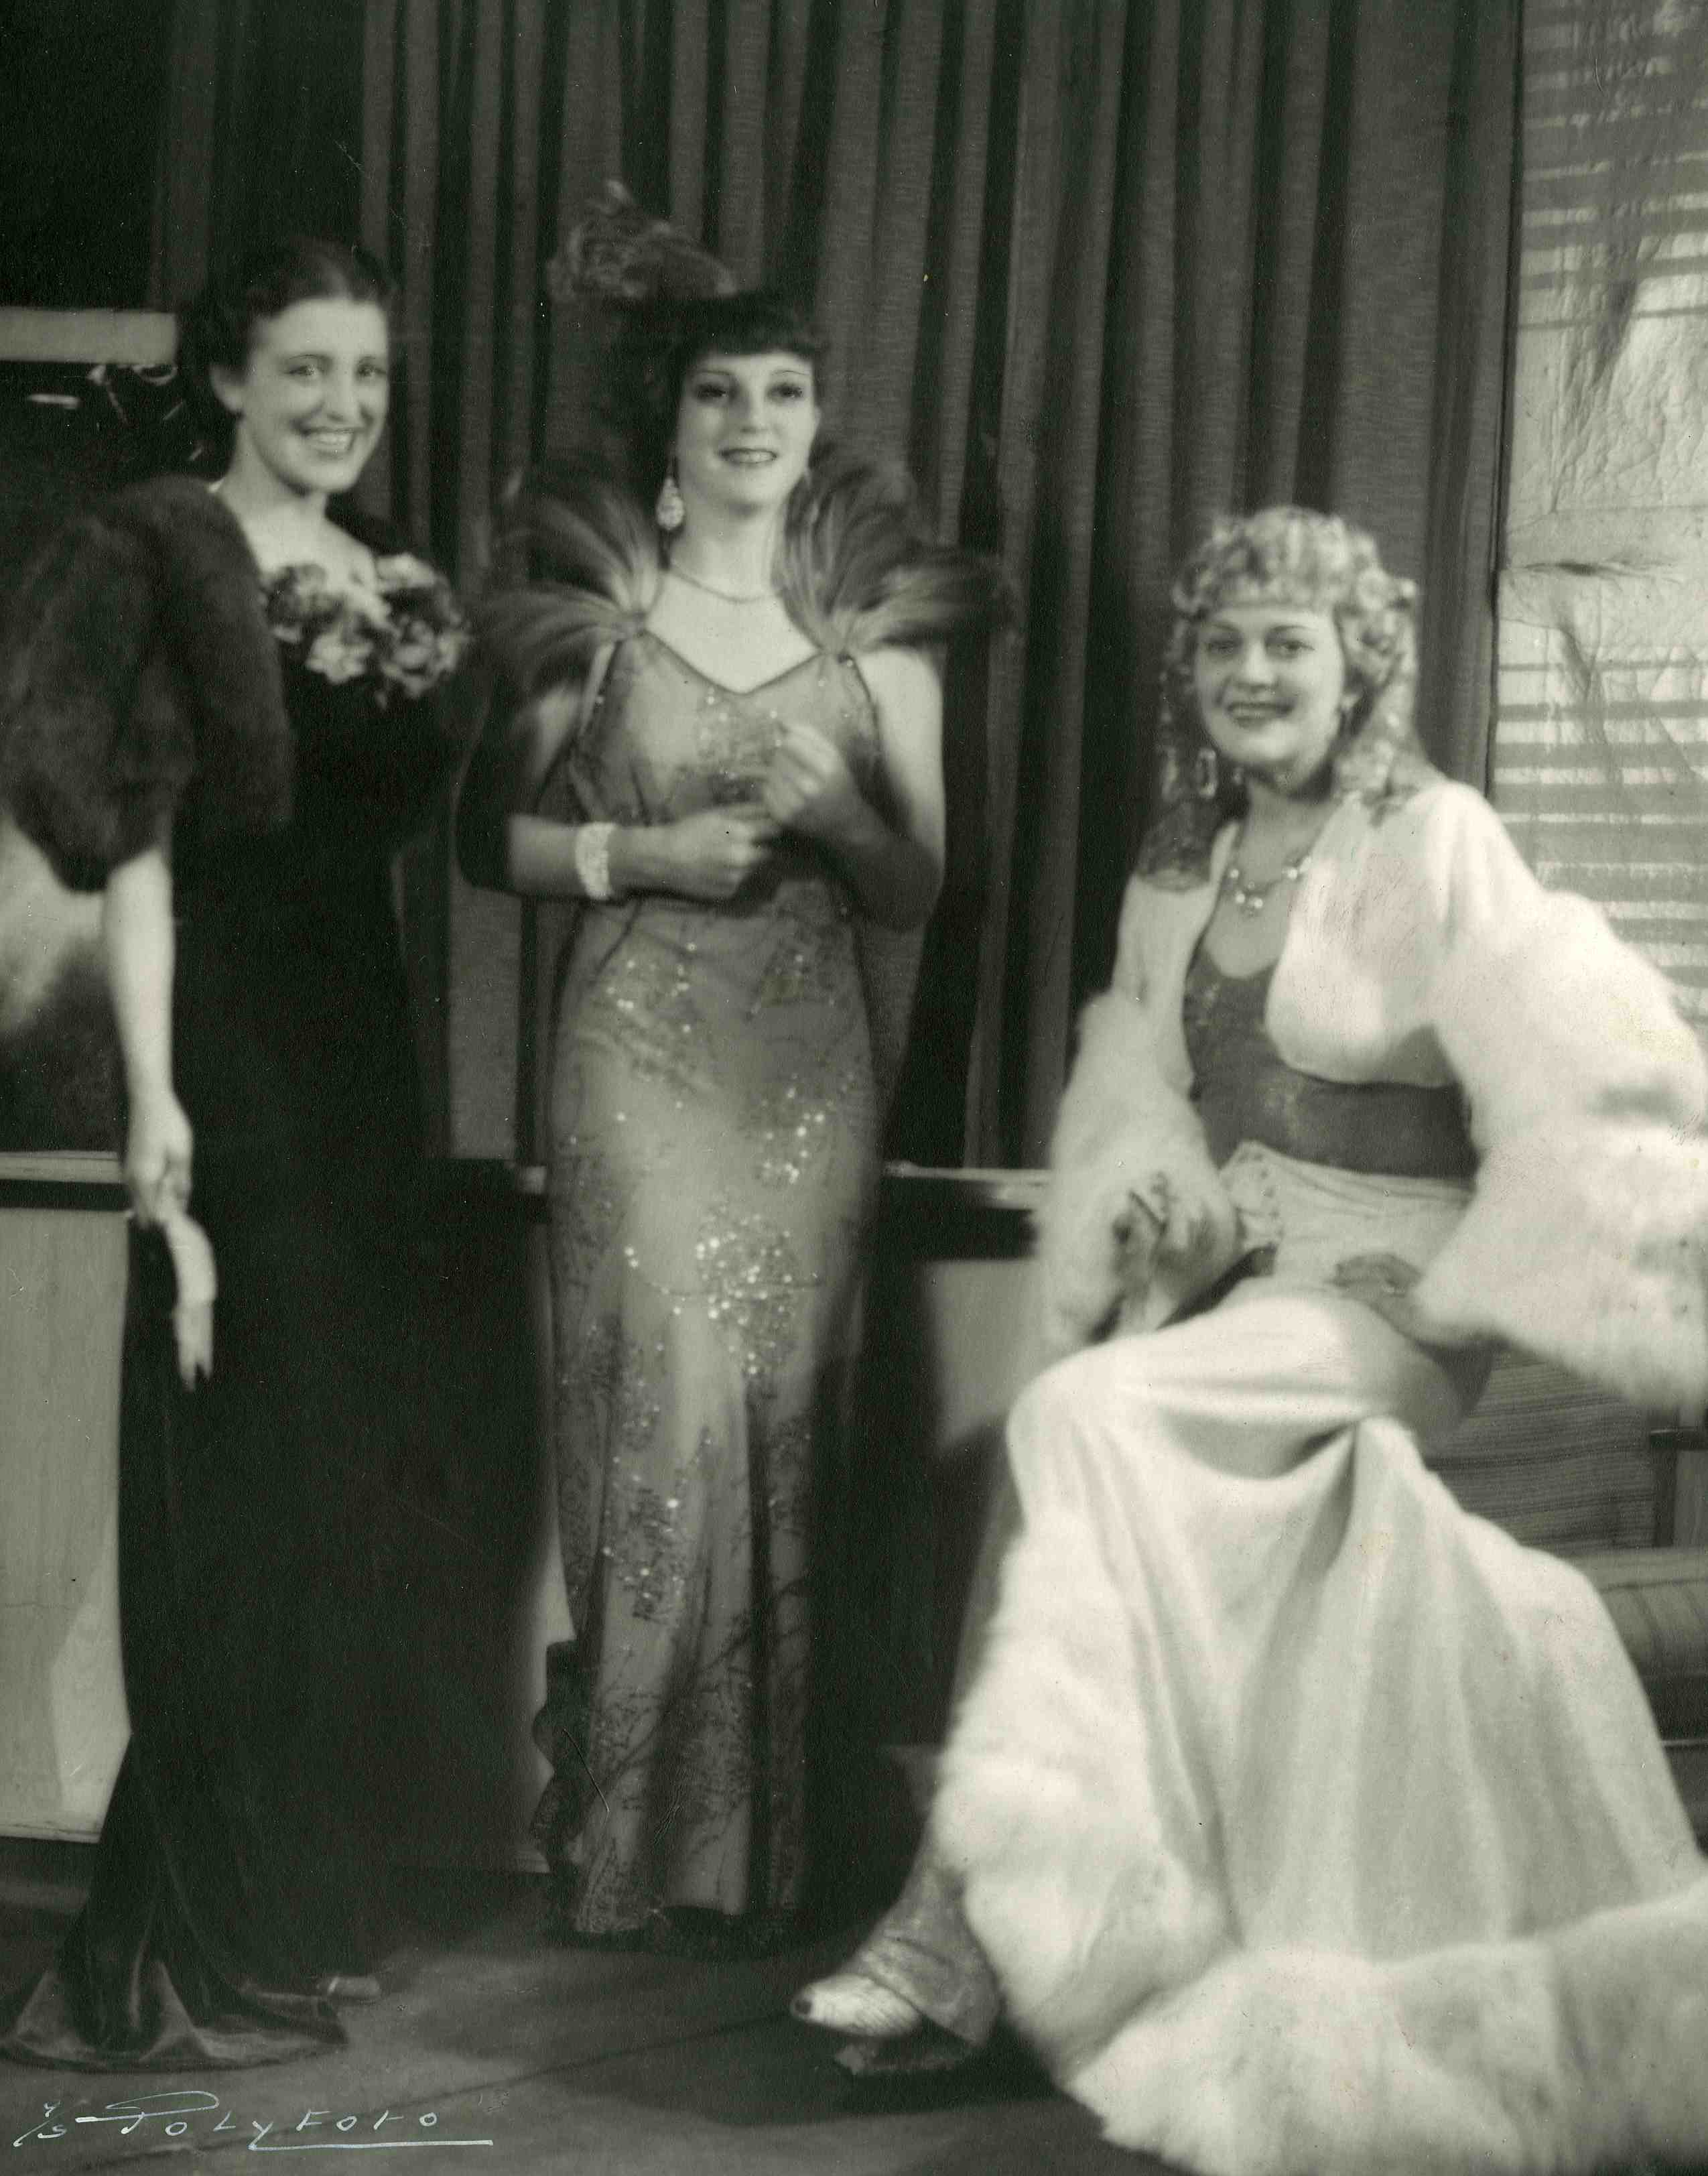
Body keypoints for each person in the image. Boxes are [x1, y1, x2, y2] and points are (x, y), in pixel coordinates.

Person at [798, 508, 1708, 2170]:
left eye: (1291, 640)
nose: (1253, 671)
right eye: (1224, 644)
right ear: (1190, 677)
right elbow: (1162, 1110)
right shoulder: (1178, 867)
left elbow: (1588, 1078)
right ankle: (1071, 1935)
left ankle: (952, 1930)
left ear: (1361, 664)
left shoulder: (1434, 838)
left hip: (1387, 1291)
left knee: (1077, 1422)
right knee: (1077, 1436)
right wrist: (1164, 1213)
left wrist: (1461, 1288)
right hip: (1242, 1277)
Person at [456, 187, 1006, 1953]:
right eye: (719, 393)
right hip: (634, 1048)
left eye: (783, 391)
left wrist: (837, 814)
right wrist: (641, 856)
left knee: (780, 1427)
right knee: (661, 1412)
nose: (754, 420)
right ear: (672, 431)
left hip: (807, 1070)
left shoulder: (881, 646)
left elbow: (917, 887)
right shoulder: (597, 624)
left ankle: (751, 1860)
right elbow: (483, 838)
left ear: (814, 423)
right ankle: (624, 1841)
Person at [0, 237, 470, 2069]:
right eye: (304, 371)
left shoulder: (386, 570)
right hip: (227, 1044)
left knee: (333, 1482)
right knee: (234, 1483)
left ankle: (278, 1909)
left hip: (359, 1048)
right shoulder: (157, 551)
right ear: (226, 377)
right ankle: (171, 1943)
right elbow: (130, 855)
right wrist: (158, 1100)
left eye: (366, 373)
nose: (342, 405)